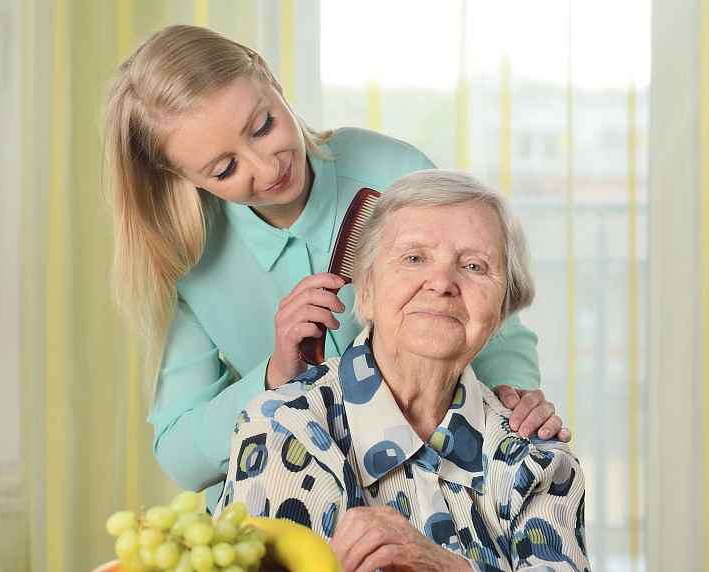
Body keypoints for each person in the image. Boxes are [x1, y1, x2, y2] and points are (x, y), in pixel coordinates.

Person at [100, 25, 569, 506]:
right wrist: (275, 376)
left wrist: (513, 402)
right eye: (225, 170)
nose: (267, 169)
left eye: (262, 127)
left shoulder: (394, 174)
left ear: (267, 74)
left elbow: (494, 323)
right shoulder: (189, 262)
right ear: (177, 174)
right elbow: (182, 456)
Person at [216, 169, 589, 572]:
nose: (442, 282)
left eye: (476, 266)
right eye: (414, 258)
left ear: (502, 312)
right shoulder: (284, 431)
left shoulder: (537, 458)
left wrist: (445, 567)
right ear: (367, 291)